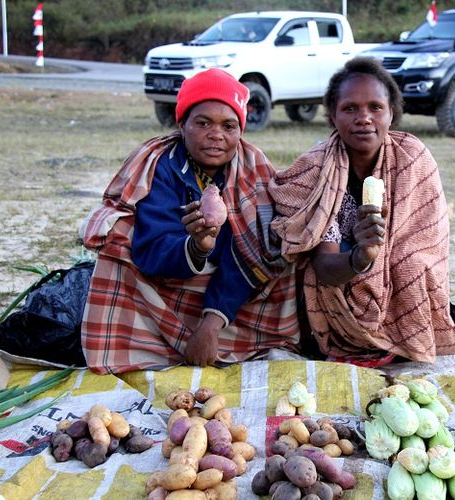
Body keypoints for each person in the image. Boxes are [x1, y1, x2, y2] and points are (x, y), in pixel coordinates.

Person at [80, 68, 298, 374]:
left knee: (289, 243)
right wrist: (197, 246)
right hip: (167, 283)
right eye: (203, 123)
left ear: (241, 132)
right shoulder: (164, 167)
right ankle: (146, 344)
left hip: (231, 297)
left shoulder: (253, 172)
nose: (216, 135)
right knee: (117, 240)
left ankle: (239, 340)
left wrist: (211, 323)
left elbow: (257, 255)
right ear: (182, 125)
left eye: (229, 126)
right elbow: (151, 248)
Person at [269, 57, 455, 366]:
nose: (364, 118)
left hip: (398, 281)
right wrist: (360, 257)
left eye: (375, 107)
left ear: (392, 114)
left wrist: (383, 256)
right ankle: (340, 340)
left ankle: (395, 340)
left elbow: (426, 244)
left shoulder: (412, 159)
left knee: (411, 263)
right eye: (350, 108)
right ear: (333, 115)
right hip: (338, 275)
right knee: (303, 269)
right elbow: (322, 266)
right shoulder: (316, 170)